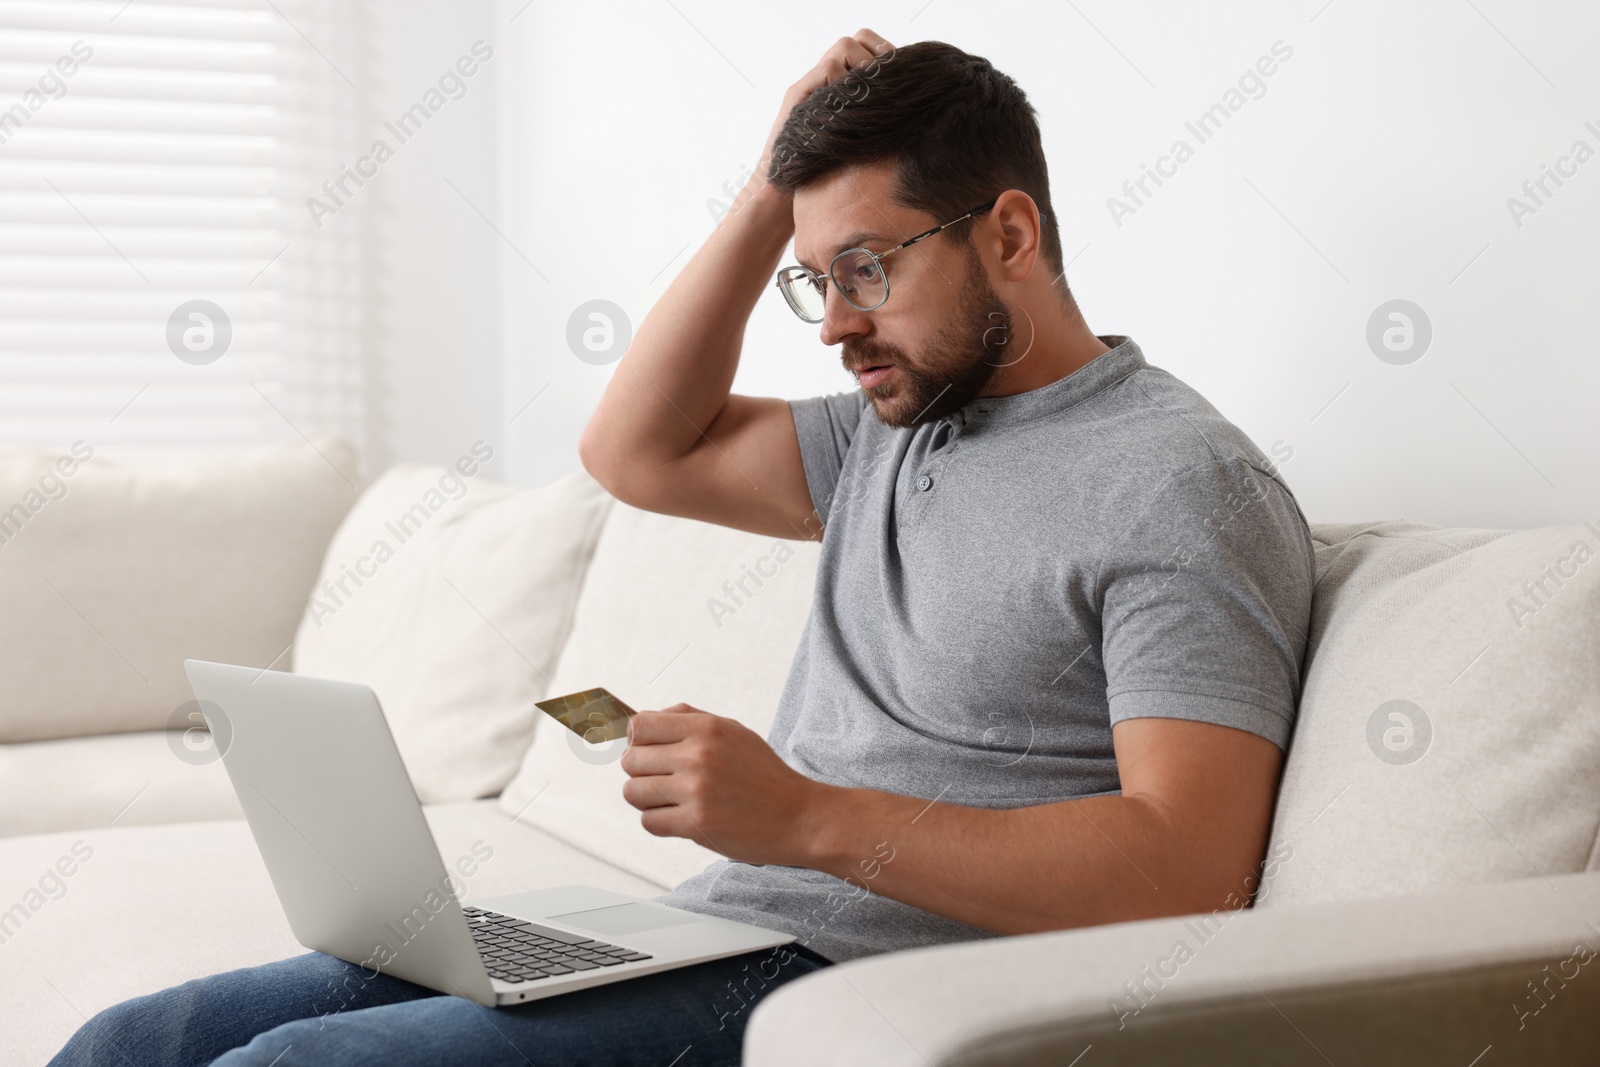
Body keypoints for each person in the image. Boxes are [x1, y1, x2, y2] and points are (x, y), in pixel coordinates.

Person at [51, 27, 1314, 1067]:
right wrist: (774, 186)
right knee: (133, 1039)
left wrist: (806, 816)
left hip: (866, 987)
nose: (833, 327)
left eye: (865, 269)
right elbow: (635, 450)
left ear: (1011, 235)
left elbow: (1185, 872)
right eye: (815, 281)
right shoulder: (905, 421)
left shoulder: (1180, 483)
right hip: (706, 931)